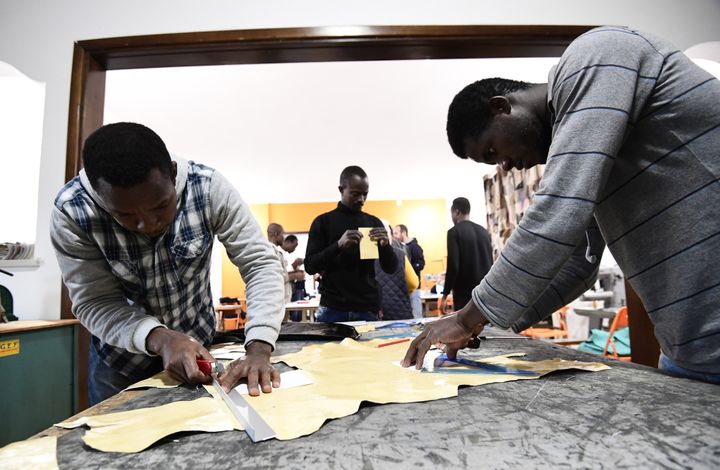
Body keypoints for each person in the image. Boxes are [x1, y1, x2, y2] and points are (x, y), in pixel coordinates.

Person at [403, 26, 720, 384]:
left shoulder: (595, 55)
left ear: (501, 107)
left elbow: (557, 215)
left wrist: (466, 318)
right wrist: (485, 322)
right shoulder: (592, 151)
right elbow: (576, 266)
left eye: (493, 150)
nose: (503, 165)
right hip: (691, 350)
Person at [51, 122, 285, 405]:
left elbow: (260, 264)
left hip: (201, 351)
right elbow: (94, 301)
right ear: (100, 199)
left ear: (173, 173)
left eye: (161, 206)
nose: (148, 224)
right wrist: (161, 339)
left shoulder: (208, 187)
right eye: (125, 215)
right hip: (120, 365)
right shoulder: (73, 211)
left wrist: (259, 348)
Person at [304, 166, 397, 322]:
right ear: (341, 190)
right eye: (355, 194)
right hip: (333, 308)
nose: (361, 199)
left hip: (367, 308)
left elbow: (390, 268)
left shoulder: (373, 222)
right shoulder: (323, 222)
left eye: (365, 194)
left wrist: (386, 246)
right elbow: (310, 266)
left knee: (369, 347)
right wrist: (338, 245)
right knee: (331, 348)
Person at [441, 197, 493, 315]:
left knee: (465, 330)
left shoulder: (454, 232)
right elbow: (490, 262)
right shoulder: (484, 232)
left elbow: (453, 265)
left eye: (452, 214)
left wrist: (445, 294)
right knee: (484, 328)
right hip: (484, 291)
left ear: (457, 212)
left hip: (464, 294)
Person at [392, 224, 425, 318]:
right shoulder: (399, 247)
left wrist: (407, 267)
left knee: (416, 316)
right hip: (403, 288)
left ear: (404, 233)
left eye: (396, 233)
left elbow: (421, 264)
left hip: (414, 288)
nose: (394, 236)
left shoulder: (415, 247)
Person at [282, 234, 308, 321]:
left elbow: (285, 272)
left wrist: (295, 271)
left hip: (288, 292)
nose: (294, 249)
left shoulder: (284, 254)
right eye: (294, 246)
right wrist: (295, 275)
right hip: (281, 293)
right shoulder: (279, 253)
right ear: (289, 242)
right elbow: (278, 275)